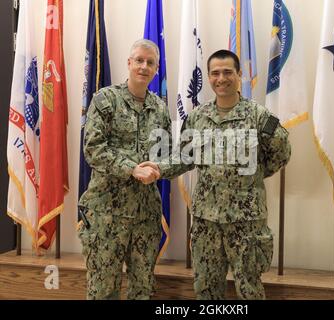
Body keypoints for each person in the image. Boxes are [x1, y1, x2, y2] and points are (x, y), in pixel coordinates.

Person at [142, 49, 291, 299]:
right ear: (209, 77)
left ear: (239, 74)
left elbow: (280, 153)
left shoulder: (258, 116)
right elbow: (184, 157)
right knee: (206, 289)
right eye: (215, 73)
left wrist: (251, 176)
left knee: (249, 289)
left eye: (227, 72)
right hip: (206, 220)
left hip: (246, 222)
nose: (221, 78)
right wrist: (159, 168)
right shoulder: (198, 117)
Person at [77, 39, 171, 300]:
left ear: (156, 69)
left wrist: (164, 167)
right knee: (103, 290)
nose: (144, 66)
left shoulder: (160, 109)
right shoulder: (106, 100)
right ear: (129, 63)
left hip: (145, 216)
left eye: (150, 62)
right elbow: (93, 150)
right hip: (107, 215)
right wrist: (132, 169)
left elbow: (165, 154)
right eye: (139, 60)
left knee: (142, 290)